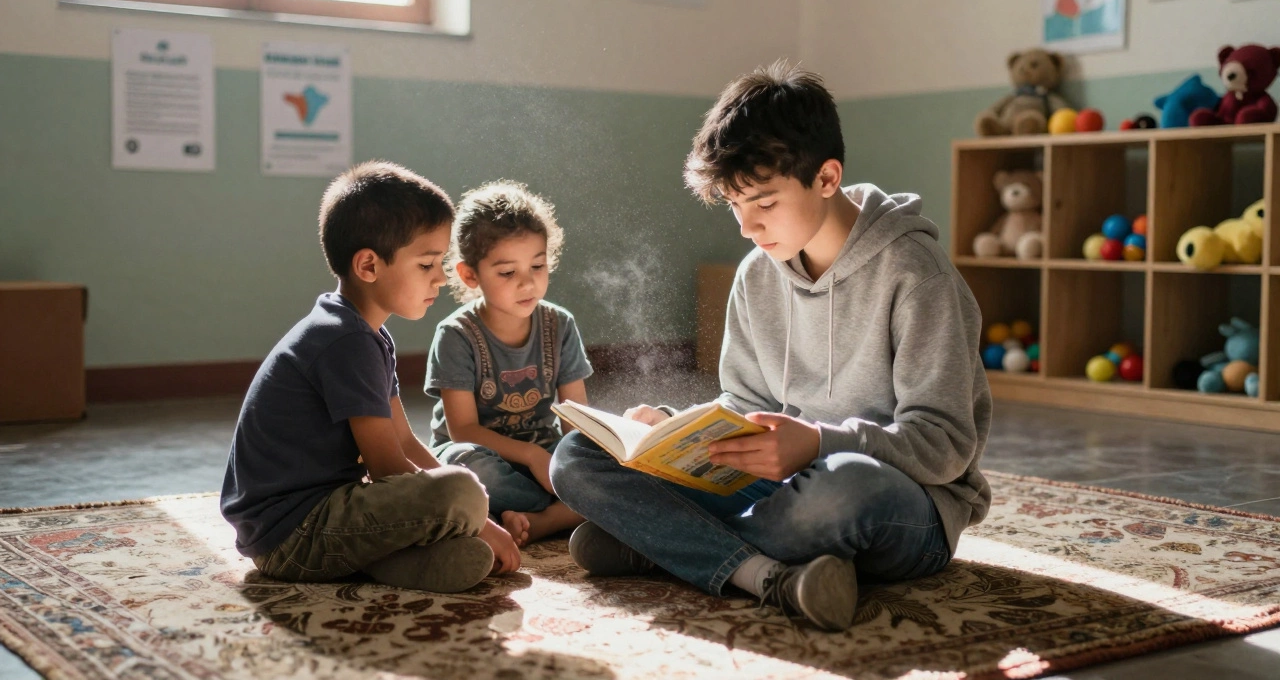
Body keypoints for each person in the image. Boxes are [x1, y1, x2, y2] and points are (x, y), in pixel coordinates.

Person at [550, 61, 992, 631]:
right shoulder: (758, 273)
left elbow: (946, 445)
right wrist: (667, 430)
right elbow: (742, 407)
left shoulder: (916, 274)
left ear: (826, 178)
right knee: (577, 458)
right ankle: (761, 571)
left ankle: (660, 546)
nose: (747, 227)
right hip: (781, 486)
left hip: (901, 501)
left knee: (838, 492)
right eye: (734, 206)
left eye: (763, 202)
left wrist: (817, 442)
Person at [220, 160, 520, 593]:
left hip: (303, 531)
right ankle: (414, 542)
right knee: (461, 490)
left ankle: (398, 564)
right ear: (368, 266)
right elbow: (386, 468)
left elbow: (405, 441)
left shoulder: (366, 334)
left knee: (464, 511)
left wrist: (479, 520)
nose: (440, 277)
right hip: (294, 534)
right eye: (426, 264)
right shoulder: (345, 340)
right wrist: (475, 515)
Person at [426, 180, 592, 548]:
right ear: (471, 275)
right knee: (465, 472)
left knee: (606, 466)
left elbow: (577, 420)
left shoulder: (559, 324)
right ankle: (563, 510)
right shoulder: (456, 334)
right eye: (507, 273)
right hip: (483, 457)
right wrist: (532, 457)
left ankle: (532, 520)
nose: (527, 283)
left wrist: (583, 462)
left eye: (538, 265)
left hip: (544, 460)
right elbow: (463, 431)